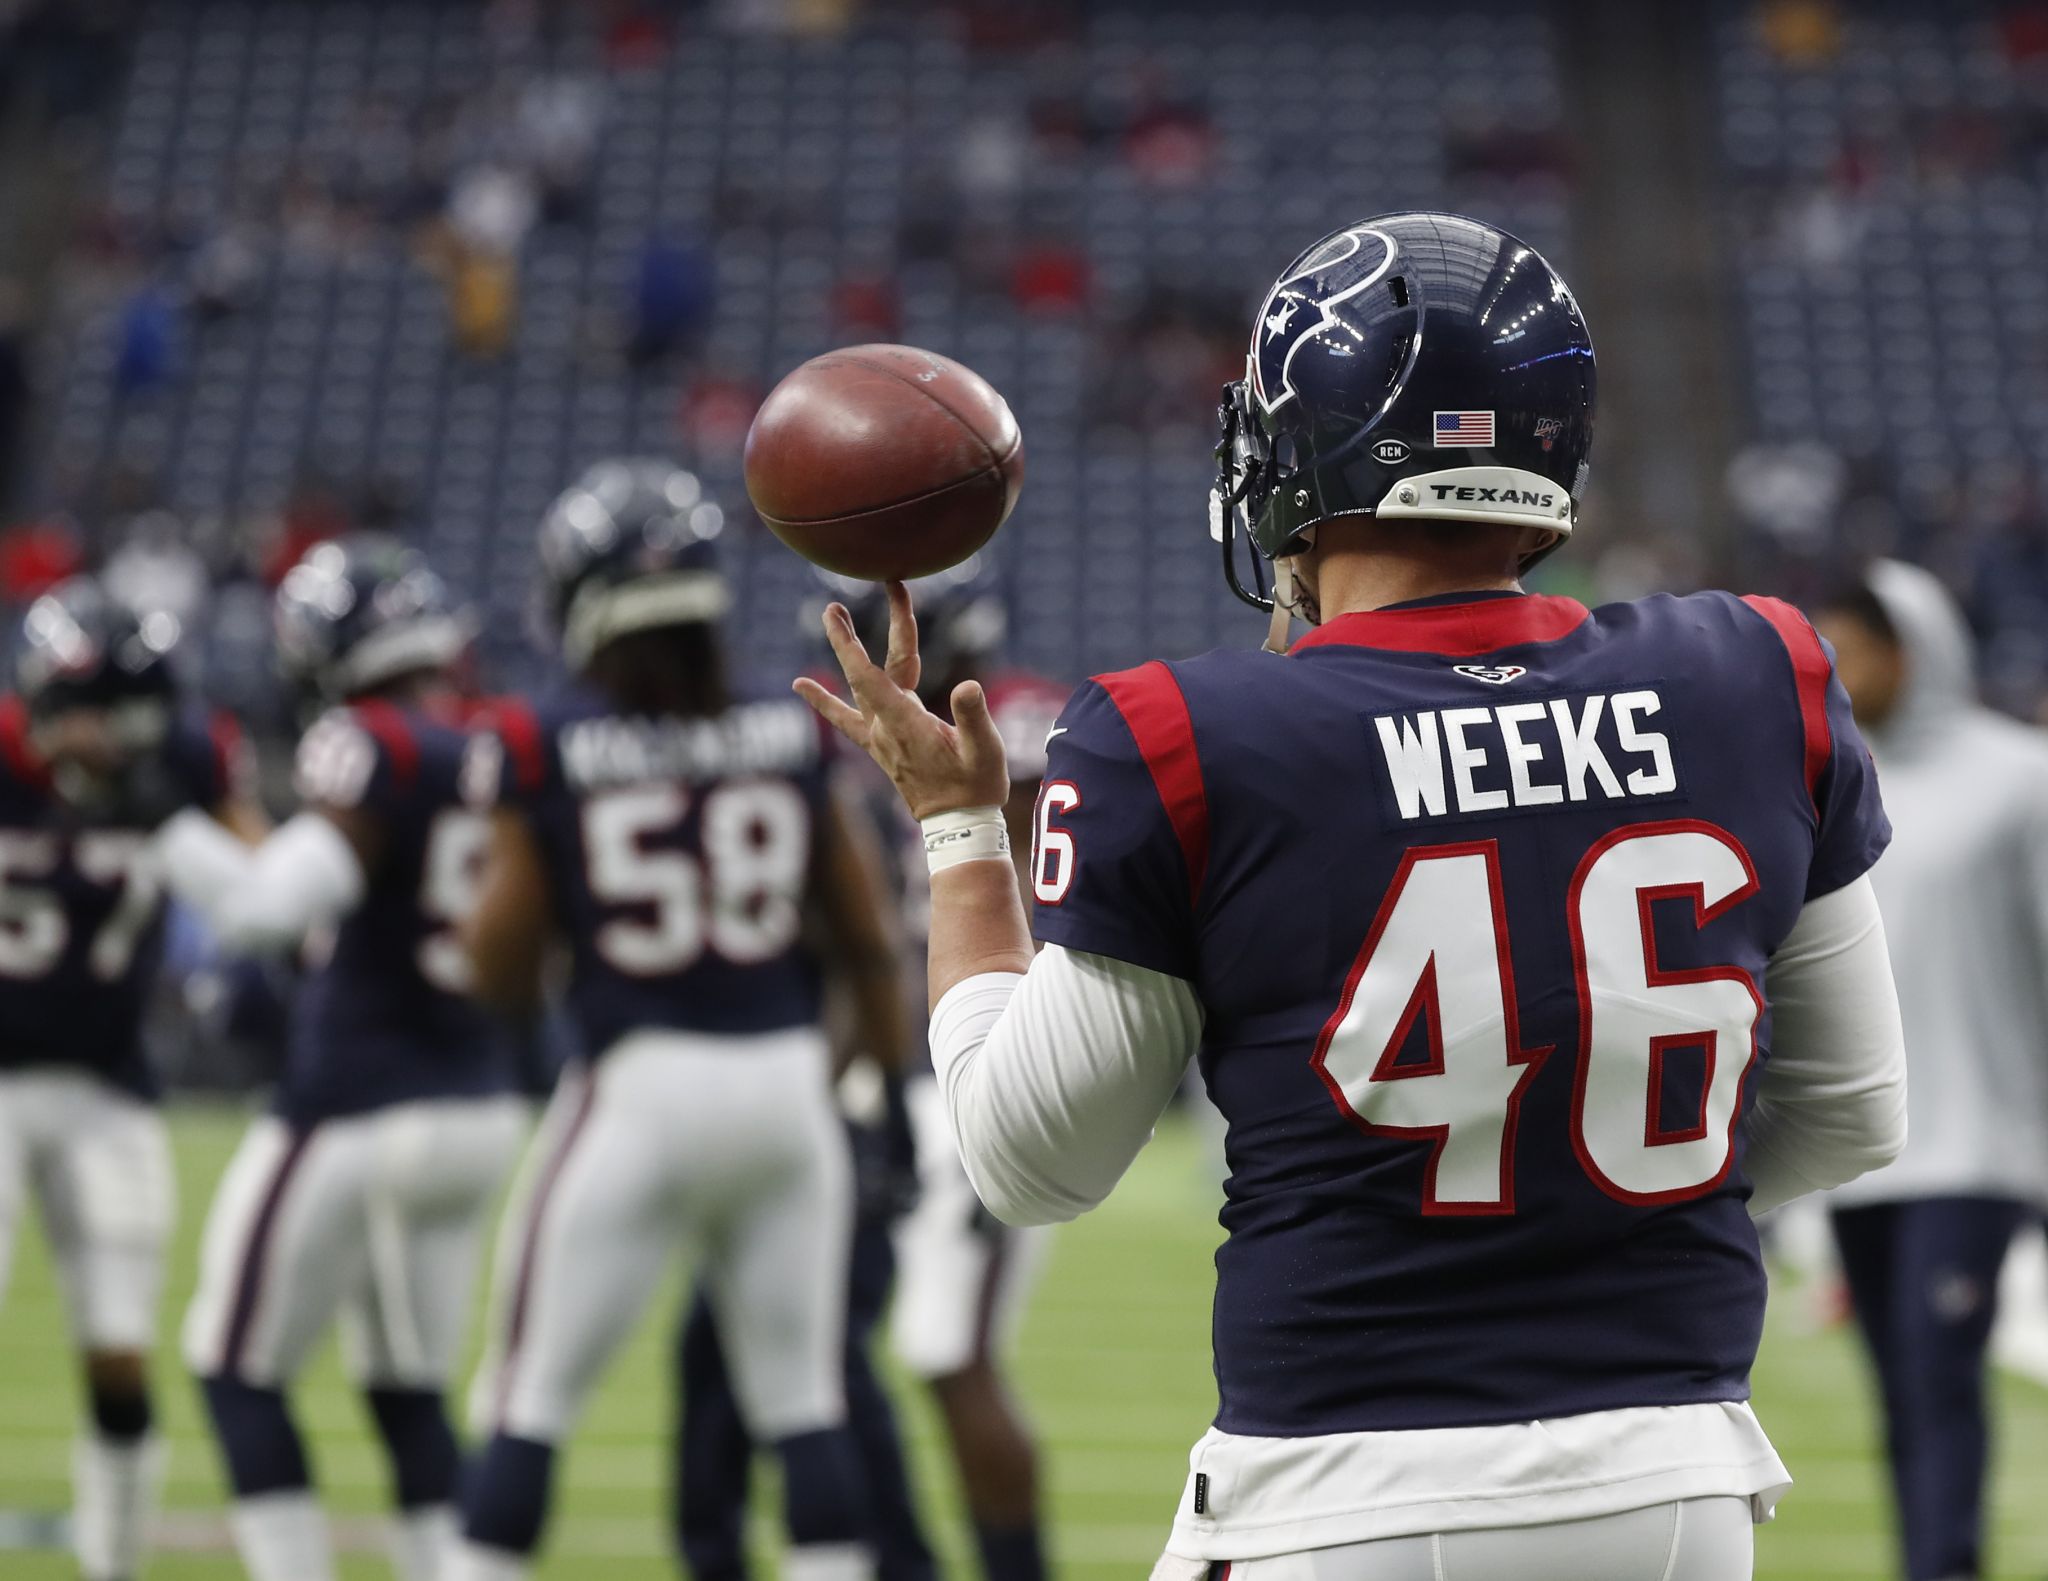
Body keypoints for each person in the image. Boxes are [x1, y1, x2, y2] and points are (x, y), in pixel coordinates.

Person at [797, 211, 1912, 1581]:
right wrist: (1588, 1198)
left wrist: (959, 828)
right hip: (1680, 1487)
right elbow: (1853, 1107)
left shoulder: (1189, 734)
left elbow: (1031, 1161)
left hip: (1341, 1491)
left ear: (1296, 452)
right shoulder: (1758, 670)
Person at [447, 459, 906, 1581]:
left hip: (638, 1091)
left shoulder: (539, 739)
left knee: (525, 1399)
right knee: (802, 1404)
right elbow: (865, 941)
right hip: (787, 1091)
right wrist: (871, 1092)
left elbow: (497, 967)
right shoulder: (784, 728)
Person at [676, 561, 1065, 1581]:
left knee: (945, 1358)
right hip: (894, 1082)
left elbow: (1042, 914)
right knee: (829, 1354)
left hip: (980, 1078)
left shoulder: (1019, 735)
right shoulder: (859, 751)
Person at [162, 537, 525, 1581]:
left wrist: (156, 825)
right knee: (406, 1388)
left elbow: (264, 914)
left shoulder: (369, 742)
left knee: (233, 1368)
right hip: (477, 1102)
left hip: (356, 1097)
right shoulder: (485, 740)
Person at [0, 576, 258, 1581]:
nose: (117, 739)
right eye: (99, 713)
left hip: (110, 1081)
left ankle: (112, 1566)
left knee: (119, 1353)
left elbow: (263, 873)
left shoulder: (183, 761)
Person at [1812, 559, 2048, 1581]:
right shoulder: (1831, 782)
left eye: (1851, 645)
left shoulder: (2017, 775)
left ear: (1913, 649)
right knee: (1900, 1391)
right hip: (1867, 1156)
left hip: (1979, 1143)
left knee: (1940, 1373)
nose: (1832, 666)